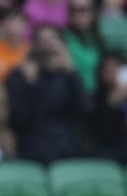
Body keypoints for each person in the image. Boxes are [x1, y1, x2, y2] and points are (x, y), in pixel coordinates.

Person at [5, 24, 89, 164]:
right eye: (42, 41)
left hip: (68, 144)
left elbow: (85, 109)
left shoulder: (68, 74)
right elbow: (19, 118)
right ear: (34, 46)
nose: (48, 46)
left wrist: (72, 73)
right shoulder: (21, 75)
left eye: (52, 40)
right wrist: (30, 85)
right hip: (35, 146)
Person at [0, 10, 30, 83]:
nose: (13, 29)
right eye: (9, 25)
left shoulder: (30, 51)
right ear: (3, 26)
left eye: (17, 25)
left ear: (25, 27)